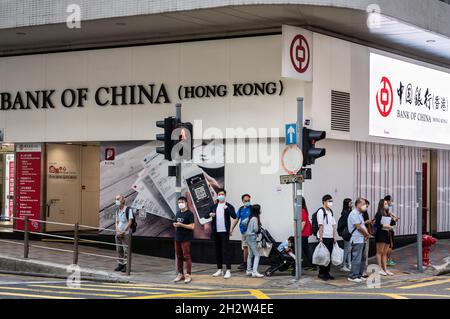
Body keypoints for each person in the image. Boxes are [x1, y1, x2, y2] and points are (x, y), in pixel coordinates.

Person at [209, 189, 237, 279]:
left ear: (225, 196)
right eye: (219, 194)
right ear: (217, 195)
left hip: (224, 232)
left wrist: (227, 209)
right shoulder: (214, 206)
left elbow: (234, 216)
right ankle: (219, 269)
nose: (221, 196)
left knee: (226, 251)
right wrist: (210, 214)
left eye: (222, 194)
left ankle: (228, 270)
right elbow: (206, 214)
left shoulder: (229, 206)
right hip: (216, 231)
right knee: (217, 251)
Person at [347, 198, 371, 283]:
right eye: (363, 204)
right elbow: (358, 227)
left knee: (362, 258)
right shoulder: (354, 213)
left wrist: (366, 235)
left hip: (362, 239)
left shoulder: (360, 214)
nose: (365, 206)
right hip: (356, 239)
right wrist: (366, 234)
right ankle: (353, 276)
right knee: (356, 258)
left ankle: (359, 275)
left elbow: (362, 225)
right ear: (358, 205)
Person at [173, 196, 195, 283]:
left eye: (182, 202)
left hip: (186, 238)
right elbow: (176, 223)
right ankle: (180, 273)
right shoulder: (178, 213)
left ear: (186, 203)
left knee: (187, 256)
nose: (180, 204)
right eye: (179, 202)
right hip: (177, 237)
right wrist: (175, 224)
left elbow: (192, 226)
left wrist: (181, 225)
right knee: (179, 256)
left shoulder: (190, 214)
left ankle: (188, 274)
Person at [316, 194, 337, 281]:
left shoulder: (330, 211)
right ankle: (321, 273)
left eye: (331, 201)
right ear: (324, 202)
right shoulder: (321, 211)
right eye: (329, 201)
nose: (330, 203)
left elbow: (334, 224)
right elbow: (320, 225)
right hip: (324, 237)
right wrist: (320, 238)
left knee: (329, 256)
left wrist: (334, 236)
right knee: (324, 256)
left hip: (330, 237)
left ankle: (327, 272)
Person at [231, 194, 252, 271]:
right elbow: (236, 219)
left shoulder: (252, 208)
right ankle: (245, 263)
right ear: (242, 201)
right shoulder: (241, 209)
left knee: (251, 248)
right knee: (245, 247)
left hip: (251, 232)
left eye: (248, 200)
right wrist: (231, 229)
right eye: (245, 201)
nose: (247, 202)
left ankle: (250, 263)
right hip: (243, 231)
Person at [374, 199, 395, 276]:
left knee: (385, 253)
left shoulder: (387, 214)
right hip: (381, 234)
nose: (387, 204)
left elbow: (392, 223)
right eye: (385, 203)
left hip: (387, 234)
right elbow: (376, 225)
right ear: (381, 205)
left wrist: (393, 219)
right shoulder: (378, 214)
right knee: (379, 252)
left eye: (387, 203)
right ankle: (379, 268)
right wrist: (384, 225)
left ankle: (385, 268)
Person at [114, 195, 133, 273]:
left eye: (117, 199)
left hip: (126, 233)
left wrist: (124, 231)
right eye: (116, 199)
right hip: (118, 233)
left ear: (122, 200)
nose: (116, 201)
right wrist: (117, 230)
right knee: (119, 249)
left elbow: (130, 221)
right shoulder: (118, 210)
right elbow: (116, 222)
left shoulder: (128, 210)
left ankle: (126, 266)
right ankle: (120, 264)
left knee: (126, 250)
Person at [245, 204, 264, 278]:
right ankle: (254, 272)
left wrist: (248, 228)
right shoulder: (255, 218)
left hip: (247, 237)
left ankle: (248, 270)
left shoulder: (250, 217)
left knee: (250, 255)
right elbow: (256, 229)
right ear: (257, 211)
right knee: (257, 255)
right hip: (252, 237)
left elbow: (243, 222)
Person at [337, 198, 353, 272]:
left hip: (350, 232)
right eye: (350, 203)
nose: (351, 204)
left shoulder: (349, 211)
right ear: (347, 204)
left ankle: (349, 264)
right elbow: (346, 223)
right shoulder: (345, 212)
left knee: (349, 249)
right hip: (347, 233)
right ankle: (344, 264)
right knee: (347, 249)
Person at [384, 195, 399, 266]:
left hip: (387, 231)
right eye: (390, 200)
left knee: (388, 246)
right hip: (388, 231)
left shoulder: (385, 210)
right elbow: (388, 222)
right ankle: (387, 260)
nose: (391, 202)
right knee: (390, 246)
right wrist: (394, 220)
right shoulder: (385, 211)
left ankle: (386, 260)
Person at [301, 197, 314, 269]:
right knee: (306, 250)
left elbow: (303, 222)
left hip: (303, 234)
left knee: (302, 250)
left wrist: (298, 233)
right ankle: (312, 264)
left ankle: (310, 264)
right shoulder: (304, 210)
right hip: (305, 233)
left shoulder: (302, 210)